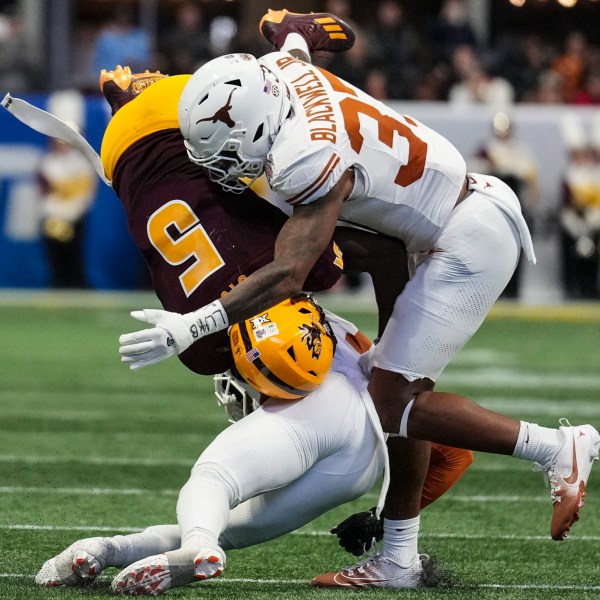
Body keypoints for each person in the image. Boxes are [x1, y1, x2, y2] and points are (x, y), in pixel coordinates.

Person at [117, 8, 600, 589]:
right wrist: (297, 30)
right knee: (396, 394)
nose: (225, 170)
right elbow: (296, 49)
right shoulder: (278, 74)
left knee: (392, 401)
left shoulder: (306, 157)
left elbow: (289, 275)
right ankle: (399, 559)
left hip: (461, 236)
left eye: (227, 152)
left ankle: (556, 447)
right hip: (434, 224)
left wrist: (192, 326)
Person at [6, 15, 472, 594]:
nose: (235, 394)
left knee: (212, 484)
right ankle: (121, 549)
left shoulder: (255, 319)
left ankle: (194, 545)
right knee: (228, 521)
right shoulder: (274, 327)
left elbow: (294, 273)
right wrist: (392, 354)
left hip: (166, 139)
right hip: (355, 454)